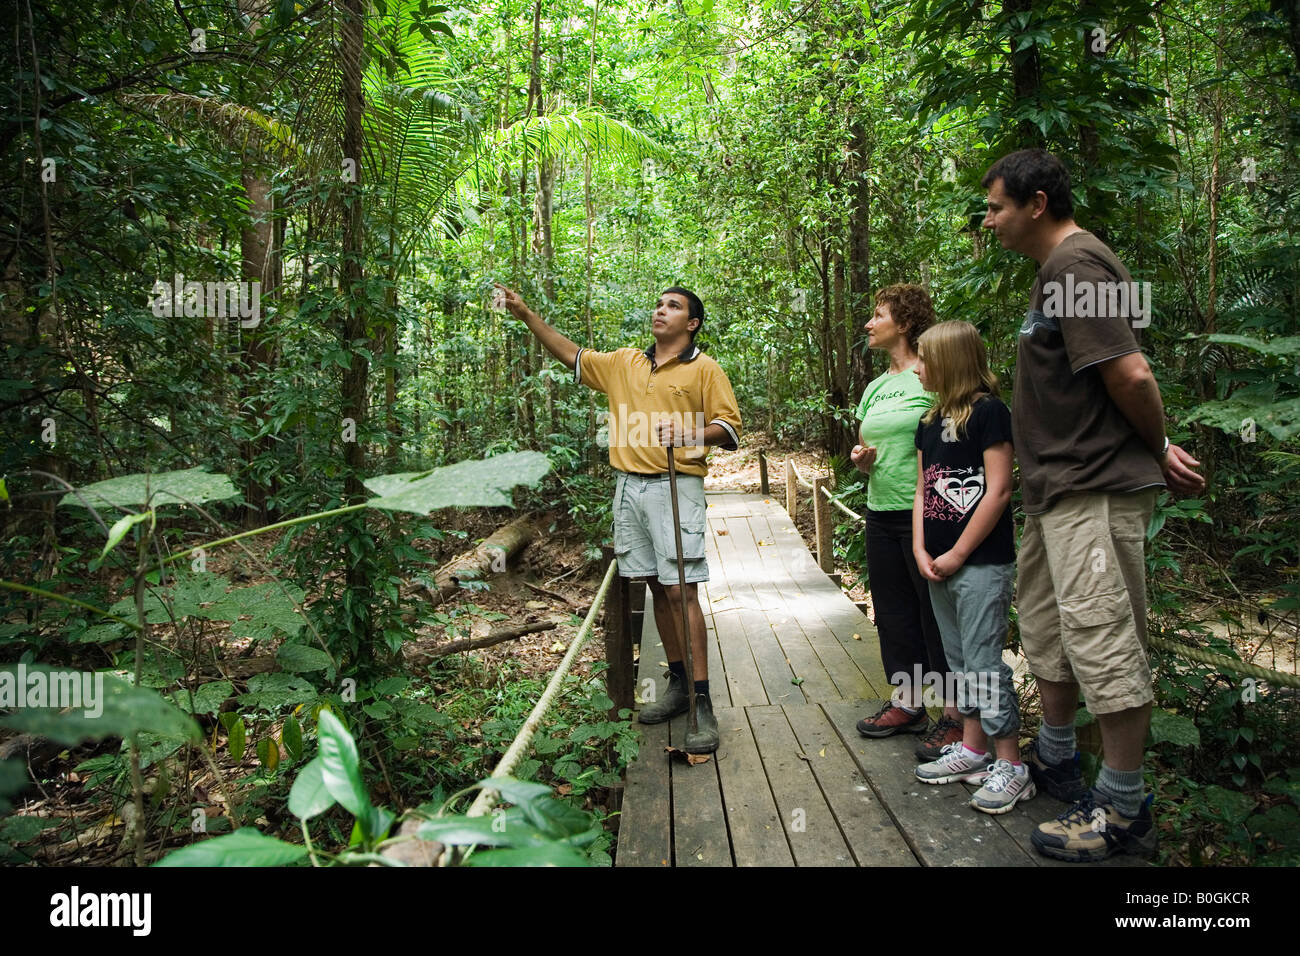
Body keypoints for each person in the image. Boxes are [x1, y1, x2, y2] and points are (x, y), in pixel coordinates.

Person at [980, 149, 1205, 859]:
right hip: (1058, 492)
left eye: (996, 208)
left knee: (1104, 638)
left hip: (1095, 488)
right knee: (1049, 630)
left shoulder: (1078, 266)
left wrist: (1159, 446)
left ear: (1037, 204)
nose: (988, 221)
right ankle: (1056, 757)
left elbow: (1131, 372)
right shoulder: (1056, 274)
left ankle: (1123, 807)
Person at [495, 283, 742, 754]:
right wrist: (526, 314)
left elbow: (730, 429)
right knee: (652, 586)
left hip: (676, 485)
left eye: (673, 306)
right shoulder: (625, 362)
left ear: (691, 323)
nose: (661, 310)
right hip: (628, 486)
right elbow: (571, 355)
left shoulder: (705, 369)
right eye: (659, 303)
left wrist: (690, 429)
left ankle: (703, 702)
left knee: (681, 589)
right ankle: (677, 684)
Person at [909, 322, 1028, 814]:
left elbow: (999, 489)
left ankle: (1012, 764)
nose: (916, 368)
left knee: (983, 663)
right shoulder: (928, 421)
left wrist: (958, 552)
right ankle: (974, 751)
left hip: (980, 563)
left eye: (924, 359)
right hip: (937, 563)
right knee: (959, 662)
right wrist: (920, 549)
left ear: (951, 362)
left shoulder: (990, 413)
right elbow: (922, 490)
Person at [850, 285, 963, 760]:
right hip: (881, 510)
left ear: (904, 322)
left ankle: (956, 718)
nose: (869, 324)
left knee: (936, 614)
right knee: (893, 612)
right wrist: (861, 460)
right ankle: (908, 703)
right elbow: (865, 451)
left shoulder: (930, 373)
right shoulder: (876, 386)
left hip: (929, 512)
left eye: (878, 315)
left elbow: (951, 438)